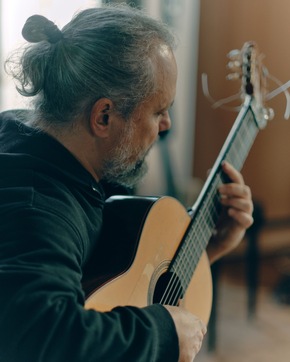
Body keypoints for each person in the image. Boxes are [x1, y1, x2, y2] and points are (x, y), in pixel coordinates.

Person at [0, 4, 253, 362]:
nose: (166, 125)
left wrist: (206, 250)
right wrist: (160, 333)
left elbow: (103, 282)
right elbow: (36, 337)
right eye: (158, 111)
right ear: (104, 116)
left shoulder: (45, 152)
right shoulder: (36, 206)